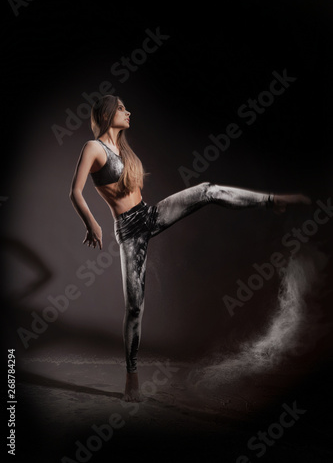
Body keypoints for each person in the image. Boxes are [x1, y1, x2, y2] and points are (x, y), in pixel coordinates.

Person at [69, 94, 311, 402]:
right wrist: (92, 223)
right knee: (134, 309)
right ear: (106, 114)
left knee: (207, 190)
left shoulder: (124, 150)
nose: (128, 112)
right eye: (121, 108)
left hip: (149, 214)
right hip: (130, 232)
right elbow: (75, 192)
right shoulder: (93, 148)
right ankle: (132, 377)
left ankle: (272, 201)